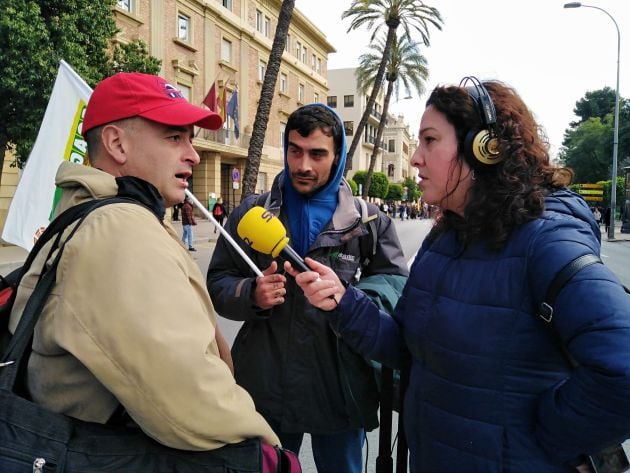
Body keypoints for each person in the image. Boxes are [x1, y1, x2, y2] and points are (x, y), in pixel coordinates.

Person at [286, 78, 630, 472]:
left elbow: (623, 370)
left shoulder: (547, 241)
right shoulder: (444, 240)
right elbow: (406, 347)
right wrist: (344, 303)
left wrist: (540, 439)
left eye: (430, 140)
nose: (415, 158)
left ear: (484, 149)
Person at [8, 72, 279, 452]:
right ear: (116, 143)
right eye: (174, 137)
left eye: (190, 138)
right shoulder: (117, 228)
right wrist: (267, 453)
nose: (193, 154)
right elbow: (190, 398)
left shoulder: (102, 212)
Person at [206, 103, 408, 473]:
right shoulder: (251, 212)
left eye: (317, 154)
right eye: (295, 150)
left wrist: (349, 299)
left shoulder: (370, 221)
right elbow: (218, 281)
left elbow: (396, 288)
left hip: (340, 385)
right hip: (265, 385)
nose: (303, 165)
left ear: (338, 156)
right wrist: (252, 294)